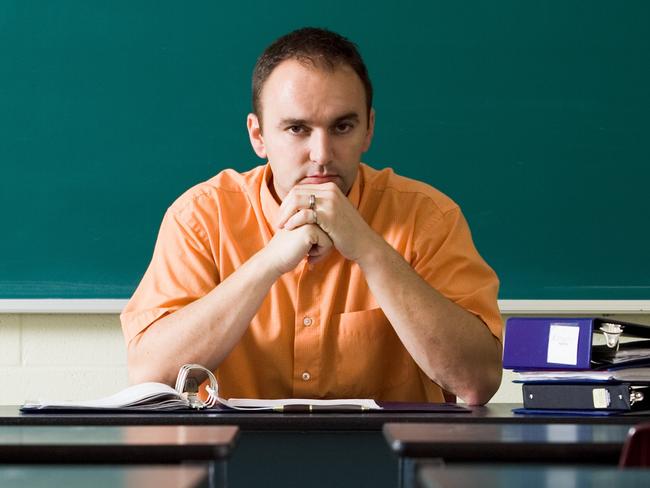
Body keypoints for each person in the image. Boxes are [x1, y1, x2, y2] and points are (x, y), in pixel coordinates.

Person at [121, 27, 503, 405]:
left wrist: (369, 250)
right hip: (235, 457)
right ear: (258, 136)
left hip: (389, 458)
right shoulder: (200, 218)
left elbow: (476, 383)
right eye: (297, 128)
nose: (321, 154)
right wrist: (270, 262)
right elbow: (151, 376)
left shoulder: (428, 217)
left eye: (342, 126)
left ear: (368, 129)